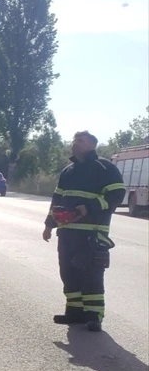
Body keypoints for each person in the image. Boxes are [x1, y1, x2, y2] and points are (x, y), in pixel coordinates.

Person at [41, 131, 125, 332]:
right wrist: (49, 225)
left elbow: (117, 195)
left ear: (93, 145)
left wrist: (89, 207)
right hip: (67, 233)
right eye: (74, 140)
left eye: (80, 141)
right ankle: (74, 312)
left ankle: (93, 315)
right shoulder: (68, 171)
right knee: (68, 272)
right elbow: (57, 200)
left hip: (93, 234)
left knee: (91, 274)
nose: (74, 144)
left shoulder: (106, 168)